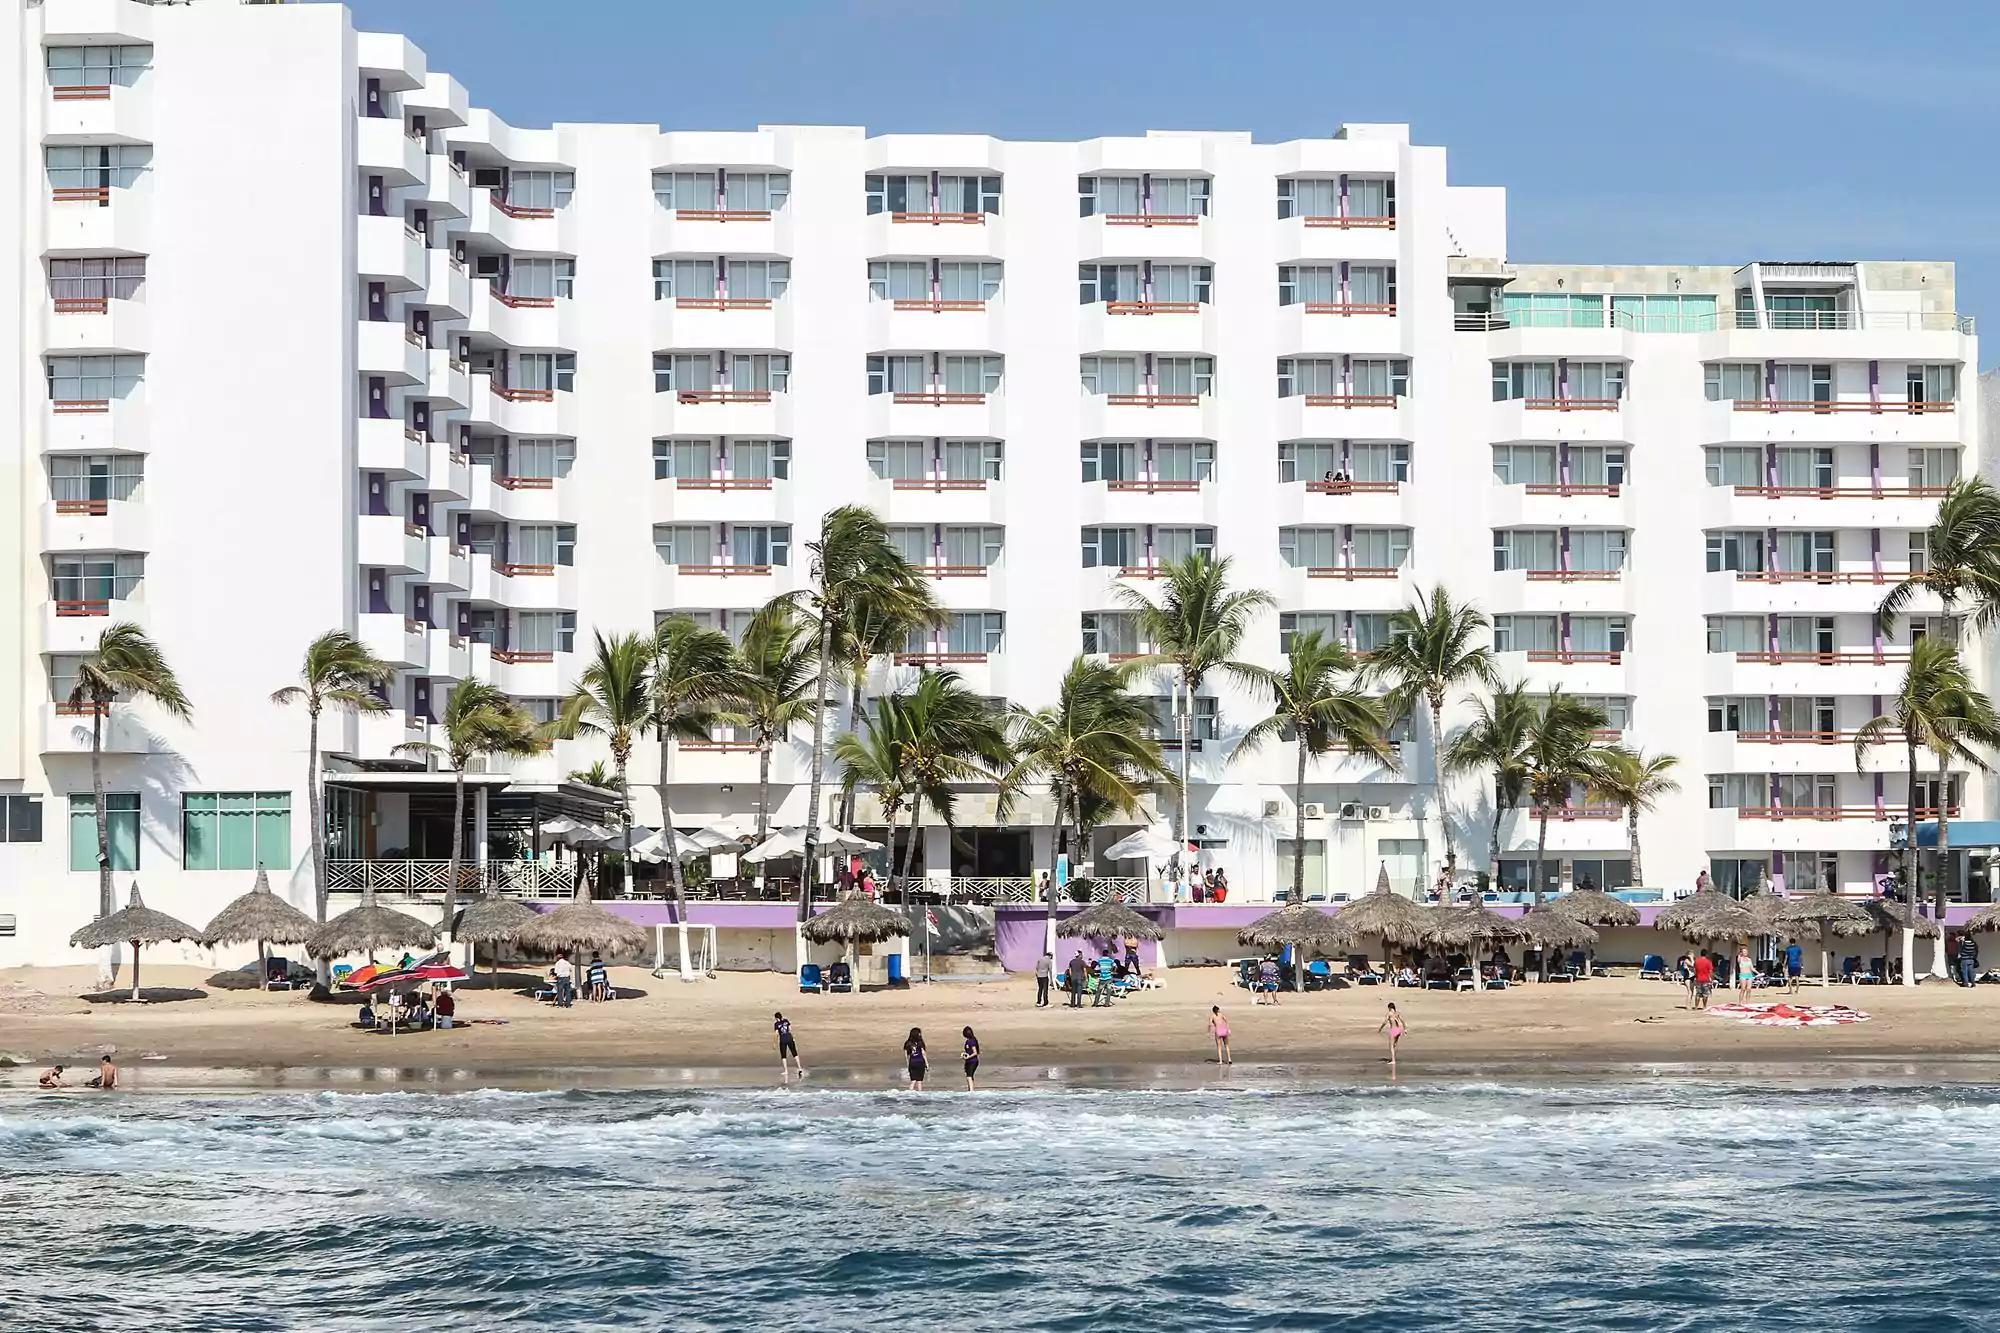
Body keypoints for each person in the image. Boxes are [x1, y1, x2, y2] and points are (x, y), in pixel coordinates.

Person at [774, 1011, 805, 1083]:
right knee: (795, 1053)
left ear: (776, 1018)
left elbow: (776, 1033)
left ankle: (786, 1071)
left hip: (783, 1041)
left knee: (783, 1056)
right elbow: (790, 1029)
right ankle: (800, 1068)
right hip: (790, 1038)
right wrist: (792, 1037)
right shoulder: (786, 1021)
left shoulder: (776, 1024)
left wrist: (774, 1043)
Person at [1379, 1002, 1407, 1074]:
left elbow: (1385, 1022)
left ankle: (1393, 1060)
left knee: (1391, 1046)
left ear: (1389, 1008)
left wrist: (1380, 1028)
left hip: (1393, 1030)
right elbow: (1403, 1021)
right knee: (1394, 1045)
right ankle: (1393, 1058)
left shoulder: (1389, 1014)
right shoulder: (1397, 1013)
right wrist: (1405, 1029)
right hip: (1399, 1030)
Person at [961, 1026, 980, 1091]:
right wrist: (965, 1055)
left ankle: (971, 1091)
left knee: (969, 1076)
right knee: (970, 1076)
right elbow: (969, 1051)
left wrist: (969, 1057)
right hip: (969, 1061)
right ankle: (970, 1089)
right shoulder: (968, 1041)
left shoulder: (972, 1041)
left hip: (973, 1061)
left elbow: (975, 1052)